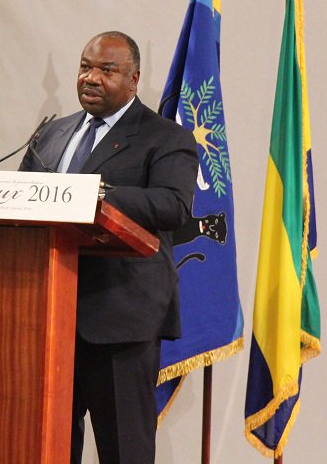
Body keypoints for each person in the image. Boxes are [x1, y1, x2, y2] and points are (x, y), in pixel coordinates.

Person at [19, 31, 198, 463]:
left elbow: (173, 206)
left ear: (133, 80)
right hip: (47, 315)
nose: (91, 77)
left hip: (120, 322)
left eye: (106, 70)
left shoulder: (165, 137)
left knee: (124, 452)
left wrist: (97, 196)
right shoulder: (53, 133)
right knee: (45, 449)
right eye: (85, 67)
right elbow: (23, 196)